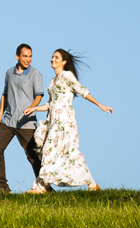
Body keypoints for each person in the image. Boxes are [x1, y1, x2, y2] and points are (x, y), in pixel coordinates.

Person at [25, 49, 113, 193]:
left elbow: (82, 90)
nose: (52, 59)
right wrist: (34, 109)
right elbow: (50, 104)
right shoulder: (53, 81)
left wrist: (100, 105)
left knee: (59, 151)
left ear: (64, 62)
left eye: (56, 57)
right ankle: (91, 184)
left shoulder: (67, 75)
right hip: (53, 121)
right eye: (52, 57)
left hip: (65, 120)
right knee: (55, 151)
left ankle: (42, 186)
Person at [0, 43, 44, 194]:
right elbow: (4, 95)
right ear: (17, 57)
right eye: (25, 56)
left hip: (26, 122)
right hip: (8, 121)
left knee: (33, 156)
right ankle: (2, 186)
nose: (28, 59)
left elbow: (39, 95)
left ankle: (45, 187)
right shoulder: (9, 73)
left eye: (30, 56)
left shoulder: (35, 74)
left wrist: (32, 107)